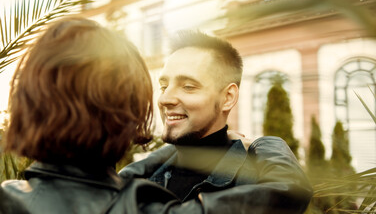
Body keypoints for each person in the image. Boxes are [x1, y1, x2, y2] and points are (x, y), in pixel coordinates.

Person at [0, 18, 213, 213]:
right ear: (126, 114)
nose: (166, 99)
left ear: (29, 102)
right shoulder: (142, 206)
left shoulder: (7, 198)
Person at [120, 30, 313, 213]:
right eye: (163, 86)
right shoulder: (140, 182)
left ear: (228, 97)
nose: (165, 99)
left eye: (188, 86)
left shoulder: (254, 181)